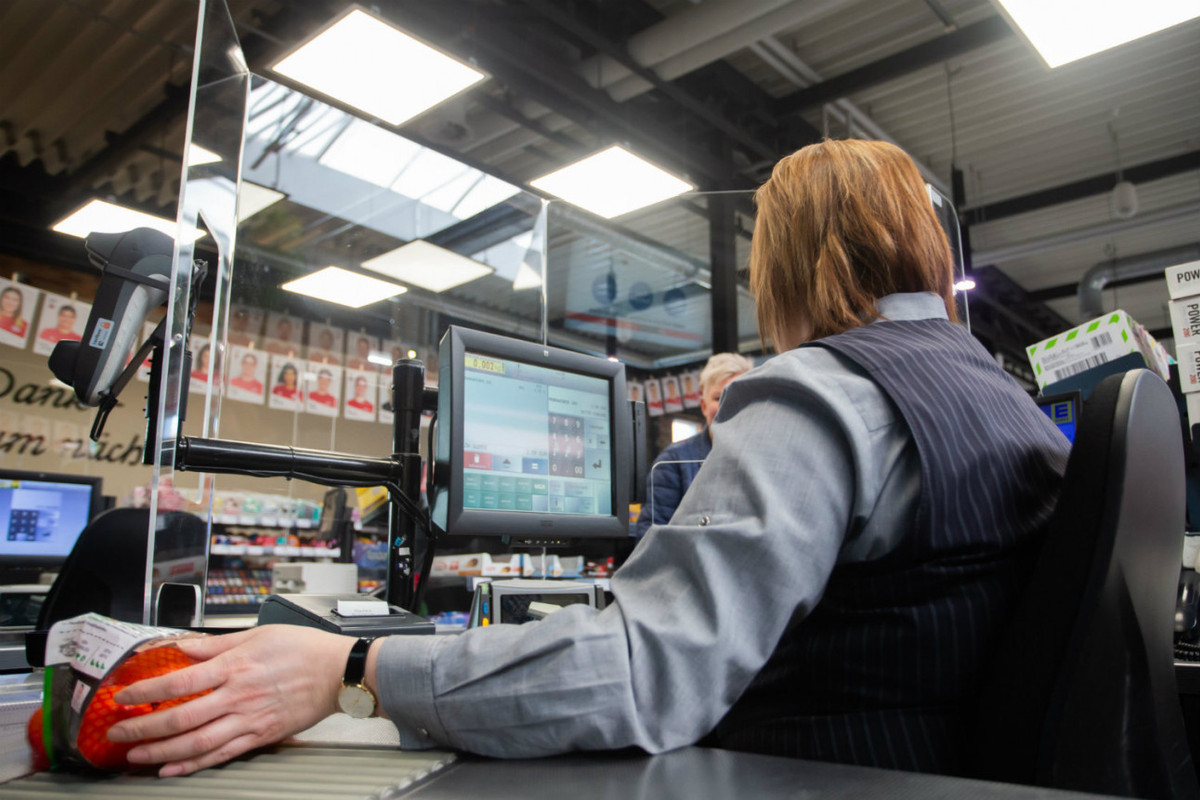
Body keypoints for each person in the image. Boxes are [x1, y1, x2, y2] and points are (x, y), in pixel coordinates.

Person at [105, 139, 1071, 779]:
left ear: (786, 263)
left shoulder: (822, 393)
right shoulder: (1008, 399)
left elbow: (644, 673)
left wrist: (348, 665)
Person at [633, 352, 753, 537]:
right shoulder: (673, 462)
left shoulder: (766, 460)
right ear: (703, 406)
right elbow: (649, 538)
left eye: (737, 396)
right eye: (717, 397)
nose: (727, 405)